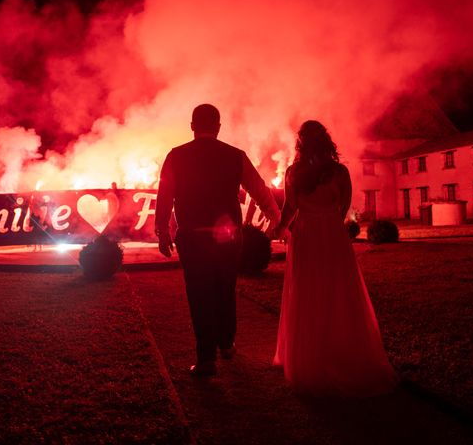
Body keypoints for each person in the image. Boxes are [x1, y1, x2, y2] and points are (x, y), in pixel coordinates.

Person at [272, 120, 398, 396]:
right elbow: (344, 204)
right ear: (326, 141)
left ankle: (306, 357)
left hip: (304, 233)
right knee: (337, 289)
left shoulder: (294, 172)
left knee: (305, 291)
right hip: (330, 231)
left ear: (301, 144)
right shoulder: (339, 171)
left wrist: (281, 227)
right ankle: (338, 350)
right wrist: (328, 221)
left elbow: (289, 207)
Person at [156, 104, 280, 377]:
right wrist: (275, 218)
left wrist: (162, 231)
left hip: (192, 235)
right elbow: (259, 189)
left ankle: (206, 358)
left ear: (192, 126)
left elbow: (164, 195)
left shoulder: (176, 156)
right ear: (219, 127)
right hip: (227, 237)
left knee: (199, 294)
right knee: (225, 288)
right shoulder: (235, 156)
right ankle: (226, 343)